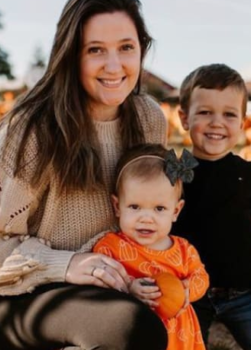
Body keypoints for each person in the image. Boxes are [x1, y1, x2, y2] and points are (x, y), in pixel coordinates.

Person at [0, 0, 169, 349]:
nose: (114, 66)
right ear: (71, 55)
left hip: (105, 288)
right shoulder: (30, 130)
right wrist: (64, 265)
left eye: (126, 47)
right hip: (16, 295)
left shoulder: (149, 119)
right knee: (133, 329)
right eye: (95, 49)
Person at [172, 64, 251, 350]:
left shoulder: (248, 173)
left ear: (242, 123)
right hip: (190, 292)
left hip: (244, 290)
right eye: (205, 112)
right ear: (184, 118)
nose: (216, 122)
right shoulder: (176, 172)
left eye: (229, 114)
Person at [93, 143, 209, 350]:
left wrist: (186, 290)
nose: (146, 218)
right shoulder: (110, 247)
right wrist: (128, 287)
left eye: (159, 208)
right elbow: (100, 283)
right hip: (135, 334)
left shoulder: (183, 250)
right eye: (135, 207)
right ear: (117, 206)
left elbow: (201, 276)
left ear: (176, 211)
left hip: (178, 336)